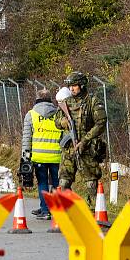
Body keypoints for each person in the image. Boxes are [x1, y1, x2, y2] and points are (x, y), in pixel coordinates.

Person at [54, 72, 108, 207]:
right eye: (70, 86)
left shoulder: (93, 101)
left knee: (91, 181)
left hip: (87, 148)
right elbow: (56, 121)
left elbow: (101, 123)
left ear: (82, 86)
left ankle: (94, 209)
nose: (72, 89)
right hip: (69, 149)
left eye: (75, 86)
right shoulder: (66, 102)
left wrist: (85, 140)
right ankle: (68, 207)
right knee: (64, 181)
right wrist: (63, 122)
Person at [22, 89, 62, 220]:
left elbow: (27, 139)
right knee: (57, 183)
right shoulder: (58, 114)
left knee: (42, 183)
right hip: (57, 155)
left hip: (39, 156)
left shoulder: (31, 115)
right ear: (51, 99)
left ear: (37, 99)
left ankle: (45, 210)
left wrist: (25, 158)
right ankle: (56, 209)